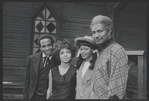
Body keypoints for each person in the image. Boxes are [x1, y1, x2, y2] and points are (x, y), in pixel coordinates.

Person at [90, 15, 129, 99]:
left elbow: (117, 91)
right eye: (93, 32)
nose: (96, 35)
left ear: (109, 32)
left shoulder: (117, 51)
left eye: (100, 31)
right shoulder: (102, 51)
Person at [23, 34, 60, 99]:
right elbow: (27, 81)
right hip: (34, 96)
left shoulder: (58, 60)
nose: (47, 48)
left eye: (49, 45)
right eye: (43, 46)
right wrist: (25, 98)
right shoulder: (31, 59)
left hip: (50, 96)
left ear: (53, 45)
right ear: (40, 48)